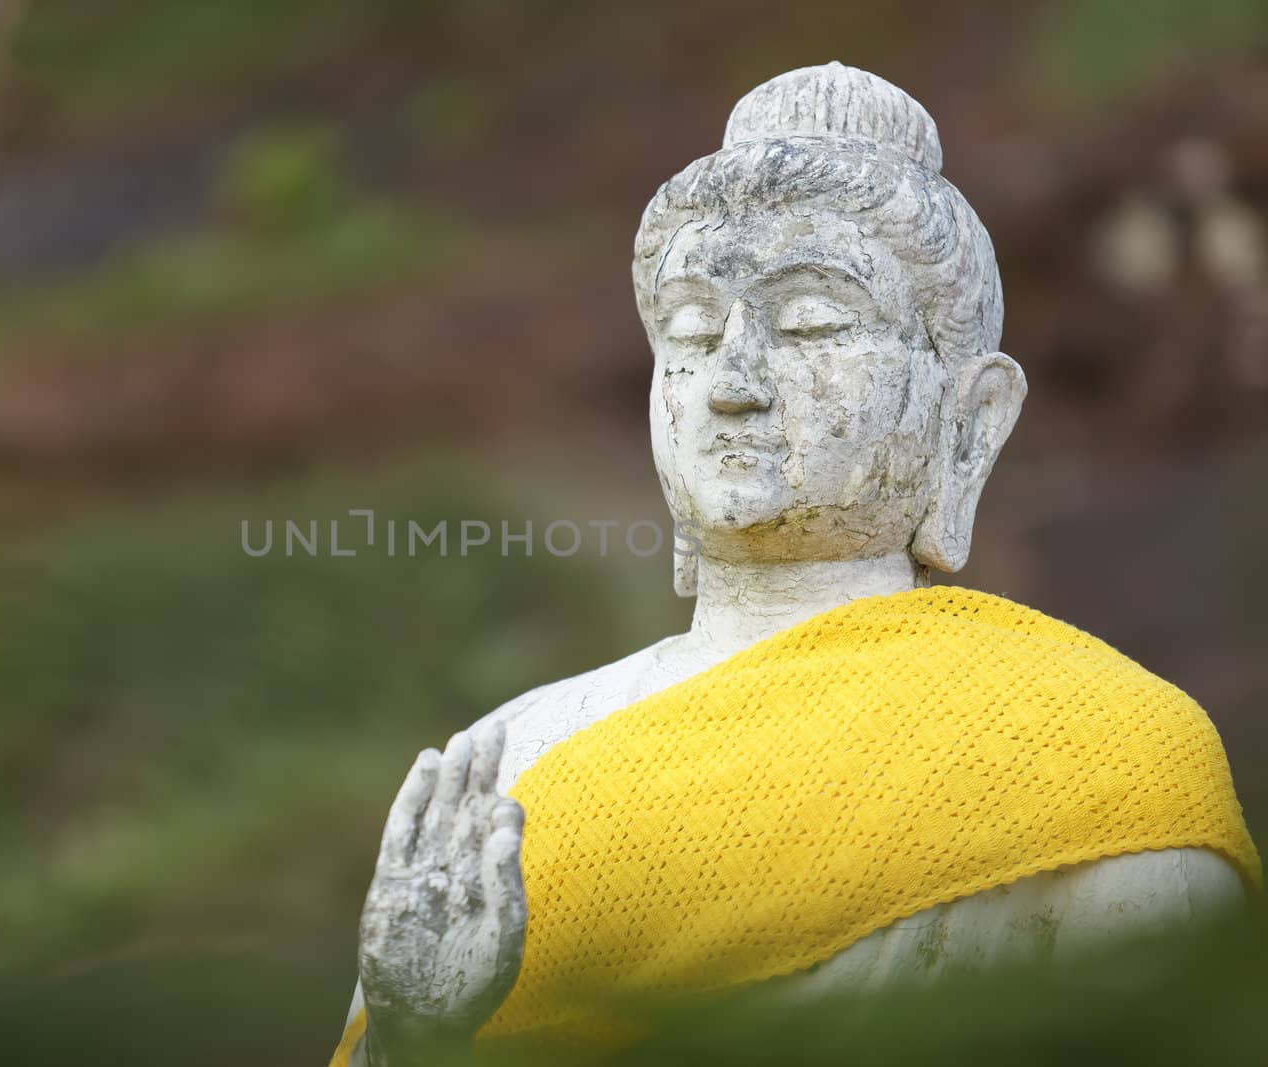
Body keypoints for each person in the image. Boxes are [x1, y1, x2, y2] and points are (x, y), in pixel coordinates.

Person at [331, 63, 1259, 1067]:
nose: (731, 382)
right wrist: (413, 1032)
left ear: (969, 420)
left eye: (811, 324)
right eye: (689, 331)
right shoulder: (504, 763)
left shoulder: (1096, 753)